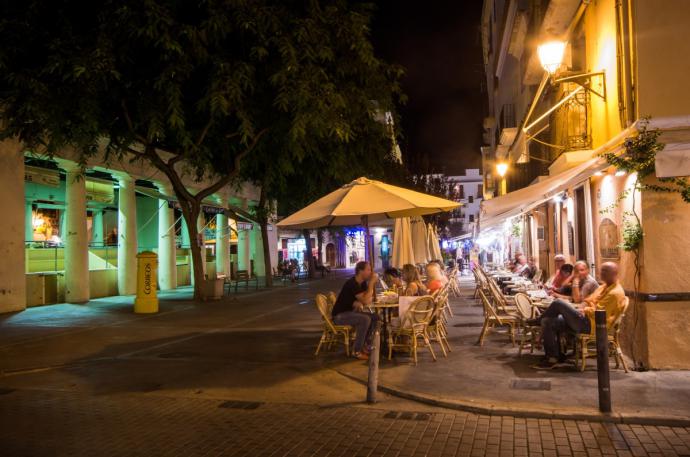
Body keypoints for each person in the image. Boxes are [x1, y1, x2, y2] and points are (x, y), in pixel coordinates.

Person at [530, 262, 626, 369]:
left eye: (605, 271)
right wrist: (583, 306)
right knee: (548, 321)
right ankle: (553, 357)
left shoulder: (615, 293)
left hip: (592, 324)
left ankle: (537, 320)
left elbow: (599, 312)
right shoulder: (604, 287)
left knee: (558, 303)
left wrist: (584, 308)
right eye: (602, 270)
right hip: (585, 317)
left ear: (615, 273)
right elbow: (589, 300)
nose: (601, 273)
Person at [332, 261, 380, 360]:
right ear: (360, 271)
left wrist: (365, 298)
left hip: (351, 312)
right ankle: (356, 351)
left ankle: (365, 345)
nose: (371, 272)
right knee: (365, 319)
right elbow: (366, 300)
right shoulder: (352, 283)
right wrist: (371, 283)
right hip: (340, 316)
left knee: (375, 317)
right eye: (368, 270)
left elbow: (368, 299)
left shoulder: (362, 284)